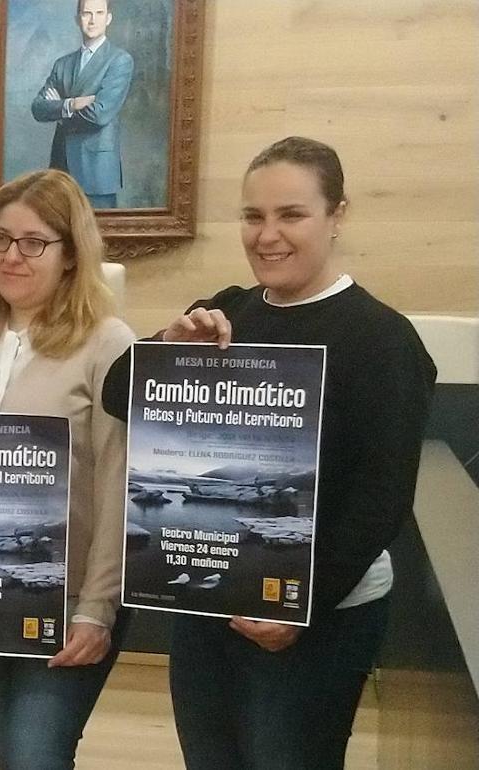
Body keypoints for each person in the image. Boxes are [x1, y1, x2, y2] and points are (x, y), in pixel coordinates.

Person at [102, 136, 437, 769]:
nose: (267, 235)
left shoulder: (383, 340)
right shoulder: (226, 311)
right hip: (209, 600)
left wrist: (301, 607)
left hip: (320, 616)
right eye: (253, 216)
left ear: (337, 215)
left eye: (292, 215)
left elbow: (382, 497)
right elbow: (119, 395)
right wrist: (169, 345)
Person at [0, 168, 133, 769]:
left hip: (67, 598)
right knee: (15, 752)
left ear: (71, 254)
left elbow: (119, 484)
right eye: (1, 239)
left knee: (35, 755)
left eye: (34, 242)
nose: (12, 256)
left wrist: (97, 608)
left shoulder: (108, 344)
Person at [31, 0, 134, 209]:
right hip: (61, 167)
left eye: (99, 13)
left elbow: (99, 114)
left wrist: (60, 111)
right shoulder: (62, 64)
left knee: (99, 230)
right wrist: (72, 104)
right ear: (78, 19)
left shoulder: (120, 60)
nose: (92, 20)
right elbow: (38, 108)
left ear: (108, 18)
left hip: (96, 172)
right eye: (87, 13)